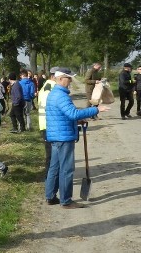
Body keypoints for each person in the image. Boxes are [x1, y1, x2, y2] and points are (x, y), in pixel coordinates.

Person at [44, 70, 110, 208]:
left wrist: (77, 121)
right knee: (66, 169)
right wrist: (96, 109)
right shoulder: (61, 96)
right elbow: (73, 113)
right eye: (69, 78)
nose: (71, 81)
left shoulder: (54, 94)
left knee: (54, 168)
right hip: (63, 136)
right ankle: (66, 200)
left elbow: (63, 115)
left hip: (56, 135)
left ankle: (50, 196)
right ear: (61, 79)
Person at [37, 72, 57, 175]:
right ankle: (49, 178)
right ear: (54, 77)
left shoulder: (45, 86)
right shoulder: (53, 88)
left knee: (50, 153)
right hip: (50, 124)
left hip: (44, 124)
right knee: (52, 154)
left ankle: (50, 177)